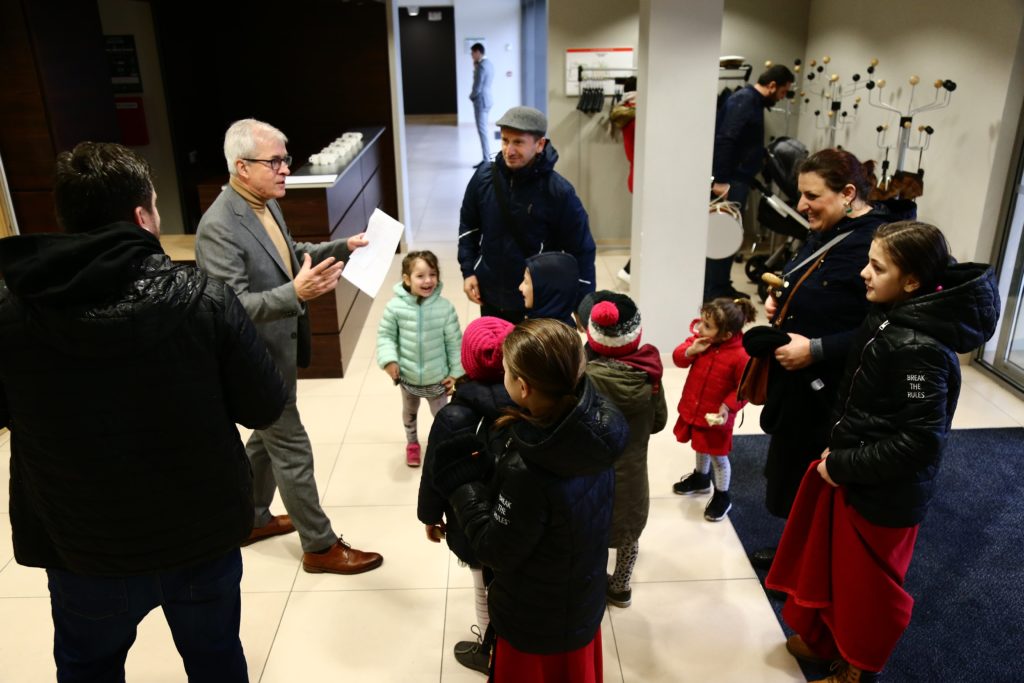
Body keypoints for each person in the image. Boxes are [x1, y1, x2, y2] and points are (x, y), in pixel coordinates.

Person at [0, 141, 288, 681]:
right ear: (142, 216)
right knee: (216, 661)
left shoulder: (12, 311)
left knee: (90, 667)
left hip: (81, 544)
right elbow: (266, 404)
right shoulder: (205, 300)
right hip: (199, 539)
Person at [766, 222, 999, 682]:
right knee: (838, 569)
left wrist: (844, 463)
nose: (864, 275)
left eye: (877, 266)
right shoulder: (890, 314)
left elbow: (919, 441)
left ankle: (857, 668)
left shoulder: (921, 353)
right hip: (856, 472)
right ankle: (828, 639)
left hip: (884, 492)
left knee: (867, 588)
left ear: (911, 280)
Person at [195, 118, 383, 575]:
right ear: (242, 167)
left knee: (265, 439)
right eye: (274, 161)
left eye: (286, 159)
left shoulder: (263, 203)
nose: (285, 169)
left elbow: (289, 253)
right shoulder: (217, 227)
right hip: (252, 361)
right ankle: (319, 546)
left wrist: (343, 246)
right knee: (292, 447)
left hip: (277, 353)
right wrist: (295, 295)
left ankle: (251, 518)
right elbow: (230, 305)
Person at [432, 319, 628, 682]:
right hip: (580, 603)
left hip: (534, 623)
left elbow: (494, 550)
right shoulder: (596, 430)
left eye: (505, 371)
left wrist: (464, 486)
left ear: (522, 387)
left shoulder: (531, 469)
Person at [746, 148, 890, 571]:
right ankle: (799, 548)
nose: (801, 205)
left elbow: (884, 326)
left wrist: (816, 348)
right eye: (800, 195)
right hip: (801, 384)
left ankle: (814, 563)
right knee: (795, 472)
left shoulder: (876, 243)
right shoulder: (827, 229)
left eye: (811, 196)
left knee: (822, 475)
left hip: (836, 387)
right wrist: (784, 304)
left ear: (847, 193)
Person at [417, 316, 516, 674]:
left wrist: (429, 516)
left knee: (481, 583)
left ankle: (488, 651)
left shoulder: (452, 416)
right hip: (516, 521)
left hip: (470, 522)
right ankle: (509, 648)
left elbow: (435, 473)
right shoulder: (529, 404)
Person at [458, 105, 597, 324]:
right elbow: (469, 226)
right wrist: (469, 271)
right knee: (495, 357)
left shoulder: (560, 192)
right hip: (491, 297)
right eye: (505, 140)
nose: (509, 150)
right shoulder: (483, 178)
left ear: (540, 144)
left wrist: (582, 303)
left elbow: (582, 249)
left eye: (518, 142)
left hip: (536, 303)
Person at [582, 292, 667, 608]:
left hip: (593, 473)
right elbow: (658, 422)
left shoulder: (586, 378)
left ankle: (591, 586)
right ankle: (621, 588)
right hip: (632, 475)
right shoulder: (650, 373)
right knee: (628, 534)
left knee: (594, 532)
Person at [705, 64, 796, 301]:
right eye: (783, 92)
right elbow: (726, 138)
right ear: (772, 85)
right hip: (731, 180)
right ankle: (715, 290)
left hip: (739, 178)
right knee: (724, 234)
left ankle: (720, 286)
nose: (782, 97)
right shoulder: (744, 100)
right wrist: (722, 180)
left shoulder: (750, 102)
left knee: (729, 233)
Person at [671, 297, 757, 521]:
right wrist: (691, 350)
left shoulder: (741, 356)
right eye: (701, 322)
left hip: (717, 417)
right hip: (697, 409)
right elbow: (678, 358)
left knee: (718, 457)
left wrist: (728, 406)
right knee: (700, 445)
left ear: (726, 334)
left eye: (707, 326)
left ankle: (722, 495)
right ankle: (701, 478)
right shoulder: (701, 341)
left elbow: (745, 389)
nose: (699, 327)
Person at [377, 250, 464, 467]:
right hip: (408, 377)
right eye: (420, 276)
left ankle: (443, 446)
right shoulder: (394, 308)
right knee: (409, 412)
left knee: (443, 417)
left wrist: (456, 373)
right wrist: (389, 361)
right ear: (406, 279)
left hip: (438, 378)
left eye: (432, 274)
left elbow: (455, 343)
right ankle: (412, 443)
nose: (428, 280)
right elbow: (386, 336)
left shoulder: (445, 309)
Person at [521, 251, 580, 327]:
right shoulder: (567, 325)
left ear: (545, 290)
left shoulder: (537, 336)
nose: (520, 287)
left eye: (526, 282)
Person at [470, 42, 495, 168]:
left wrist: (472, 96)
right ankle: (485, 158)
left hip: (481, 100)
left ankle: (486, 160)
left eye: (472, 53)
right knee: (483, 130)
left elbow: (477, 86)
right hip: (487, 99)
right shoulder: (488, 64)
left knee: (483, 131)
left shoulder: (482, 66)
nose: (471, 55)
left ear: (478, 52)